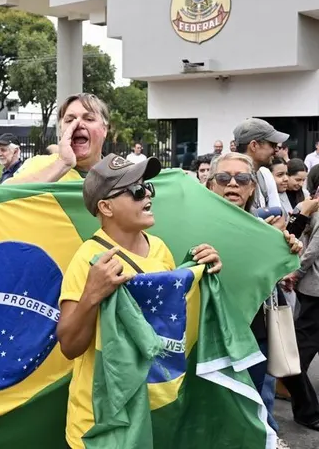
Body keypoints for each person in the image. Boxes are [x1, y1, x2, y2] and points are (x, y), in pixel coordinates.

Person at [57, 154, 221, 449]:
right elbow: (69, 345)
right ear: (105, 207)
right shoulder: (88, 258)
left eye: (147, 187)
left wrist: (201, 268)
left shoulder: (158, 248)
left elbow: (172, 317)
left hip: (152, 411)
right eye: (134, 190)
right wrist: (91, 295)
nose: (146, 194)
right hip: (100, 421)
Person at [206, 152, 308, 440]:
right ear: (211, 184)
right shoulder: (194, 224)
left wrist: (285, 249)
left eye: (242, 178)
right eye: (224, 178)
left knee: (251, 408)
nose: (233, 184)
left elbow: (275, 275)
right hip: (206, 336)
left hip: (254, 335)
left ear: (252, 187)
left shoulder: (267, 231)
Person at [280, 164, 319, 432]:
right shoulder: (312, 205)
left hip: (312, 288)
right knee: (297, 355)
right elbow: (312, 248)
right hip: (314, 290)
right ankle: (306, 409)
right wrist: (295, 272)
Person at [7, 93, 109, 184]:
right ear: (60, 130)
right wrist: (63, 164)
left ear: (104, 129)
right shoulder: (36, 165)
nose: (78, 124)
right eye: (69, 120)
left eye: (89, 119)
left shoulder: (121, 176)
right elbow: (1, 197)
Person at [233, 118, 289, 211]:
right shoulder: (224, 180)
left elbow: (278, 217)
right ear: (254, 145)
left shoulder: (265, 174)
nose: (276, 150)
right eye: (273, 145)